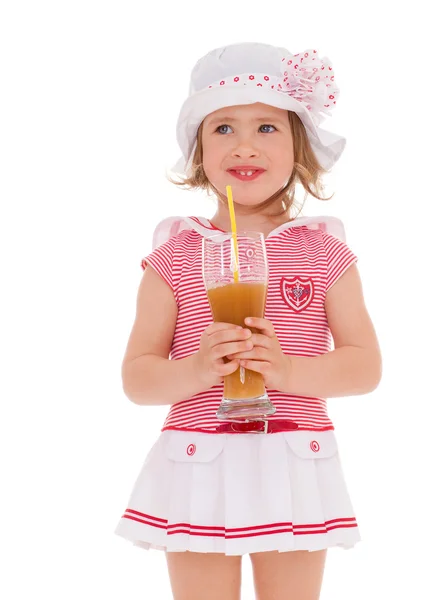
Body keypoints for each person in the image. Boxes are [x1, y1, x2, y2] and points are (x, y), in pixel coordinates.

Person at [114, 42, 382, 600]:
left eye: (266, 128)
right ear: (197, 153)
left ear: (299, 148)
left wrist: (287, 373)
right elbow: (138, 377)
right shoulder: (177, 253)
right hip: (197, 457)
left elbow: (364, 366)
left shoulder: (322, 251)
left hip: (293, 455)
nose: (244, 145)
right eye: (222, 128)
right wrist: (196, 370)